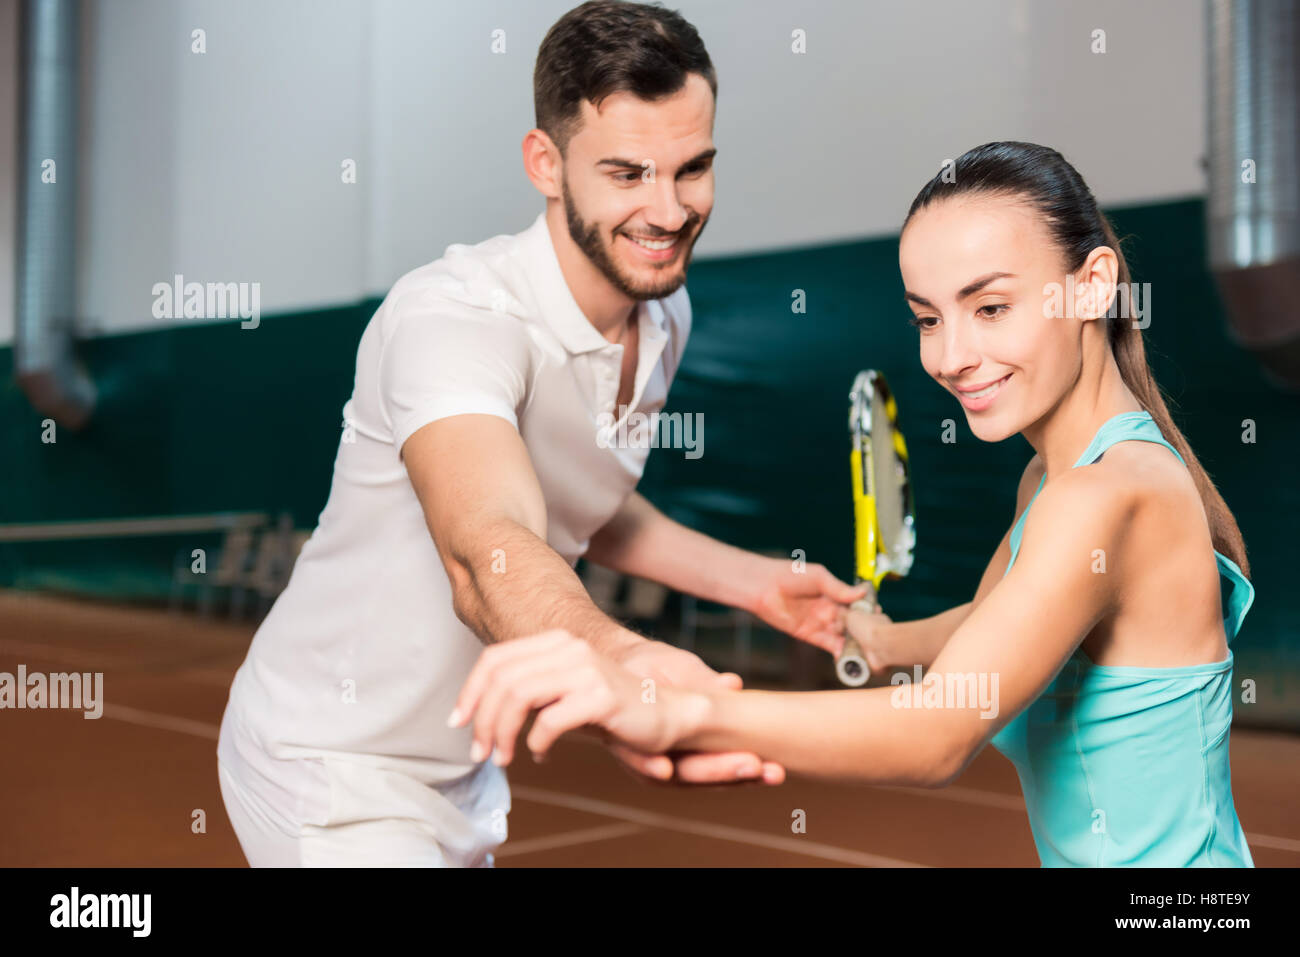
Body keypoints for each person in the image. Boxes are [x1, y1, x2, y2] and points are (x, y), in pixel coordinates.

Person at [452, 141, 1258, 868]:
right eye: (927, 319)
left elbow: (938, 730)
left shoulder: (1107, 493)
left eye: (991, 308)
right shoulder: (1054, 480)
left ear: (1092, 288)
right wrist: (874, 640)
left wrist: (679, 710)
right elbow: (993, 621)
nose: (951, 355)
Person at [216, 0, 864, 868]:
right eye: (627, 173)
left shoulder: (665, 308)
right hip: (329, 765)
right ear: (546, 164)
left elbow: (585, 503)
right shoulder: (452, 317)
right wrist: (623, 660)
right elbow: (485, 547)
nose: (668, 211)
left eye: (693, 167)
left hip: (465, 772)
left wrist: (759, 585)